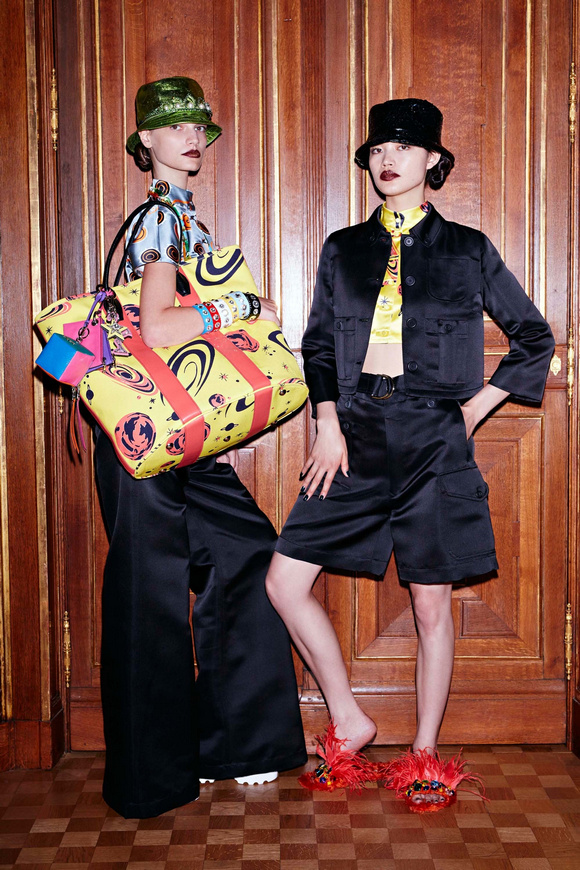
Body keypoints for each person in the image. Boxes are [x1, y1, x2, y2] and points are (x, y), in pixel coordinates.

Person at [265, 98, 554, 806]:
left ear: (433, 160)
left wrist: (474, 410)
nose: (387, 159)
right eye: (377, 149)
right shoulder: (342, 248)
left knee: (430, 606)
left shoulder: (469, 249)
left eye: (402, 147)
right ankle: (350, 718)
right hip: (352, 436)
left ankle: (424, 751)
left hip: (434, 440)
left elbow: (534, 338)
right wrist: (327, 423)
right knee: (284, 581)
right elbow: (318, 346)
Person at [95, 76, 306, 819]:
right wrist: (242, 305)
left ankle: (235, 744)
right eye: (173, 126)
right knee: (148, 595)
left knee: (247, 550)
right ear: (146, 142)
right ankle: (149, 780)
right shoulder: (161, 216)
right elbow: (157, 328)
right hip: (141, 438)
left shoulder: (184, 217)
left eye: (197, 127)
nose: (190, 138)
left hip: (177, 433)